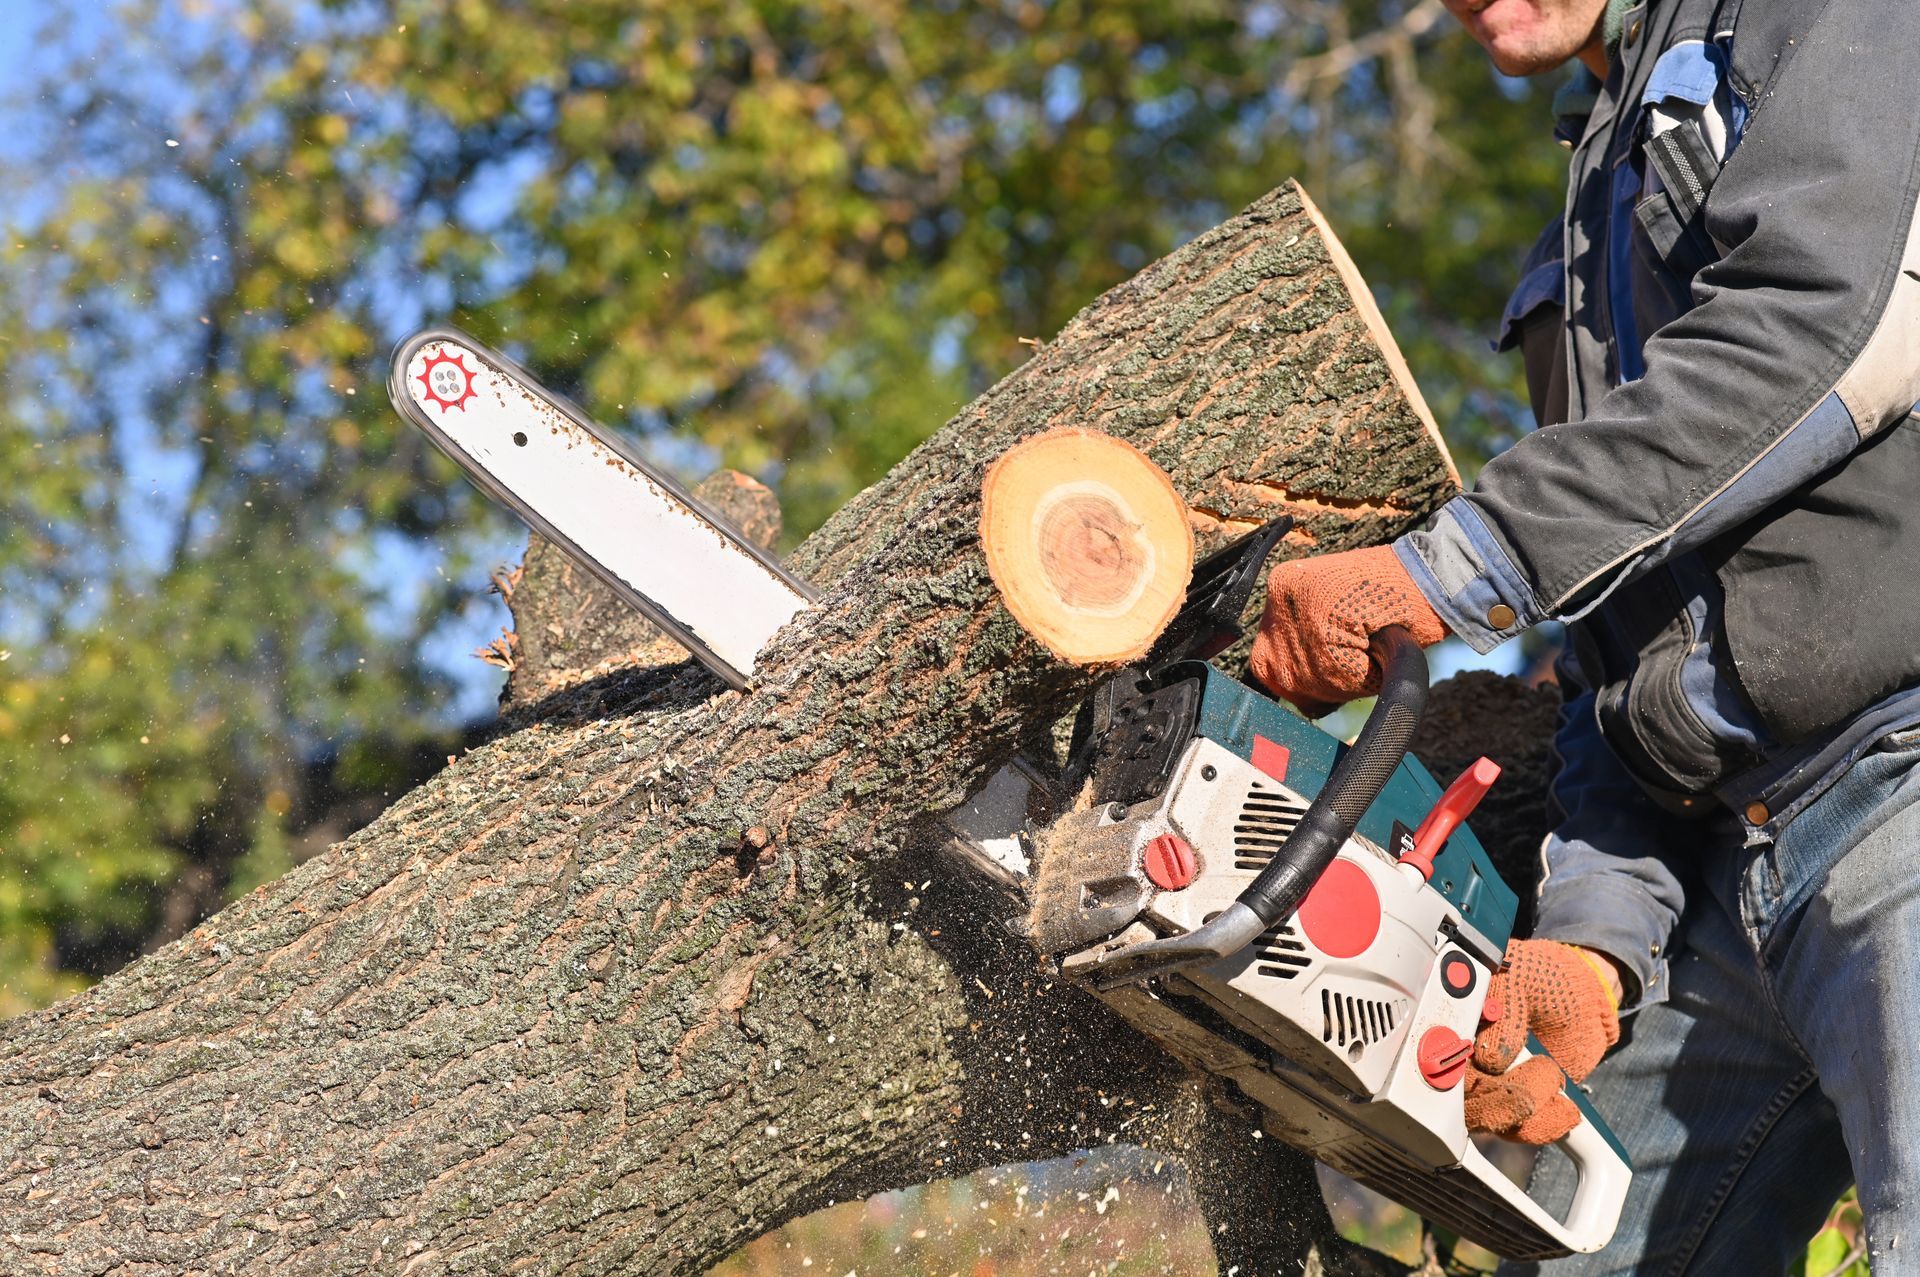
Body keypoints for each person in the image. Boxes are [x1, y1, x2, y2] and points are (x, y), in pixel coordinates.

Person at [1248, 0, 1920, 1271]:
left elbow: (1836, 325)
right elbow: (1621, 631)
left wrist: (1455, 568)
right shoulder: (1593, 196)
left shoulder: (1819, 21)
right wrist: (1597, 932)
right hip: (1735, 867)